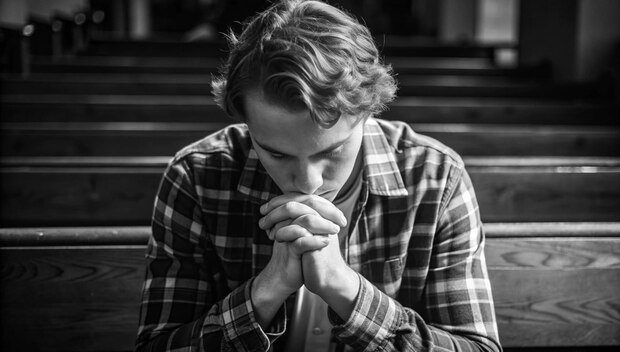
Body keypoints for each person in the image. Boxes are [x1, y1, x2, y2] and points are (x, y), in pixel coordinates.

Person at [136, 1, 502, 351]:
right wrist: (264, 291)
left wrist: (346, 289)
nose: (308, 183)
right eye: (276, 153)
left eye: (331, 152)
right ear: (245, 121)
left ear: (368, 111)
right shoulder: (196, 176)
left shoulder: (436, 179)